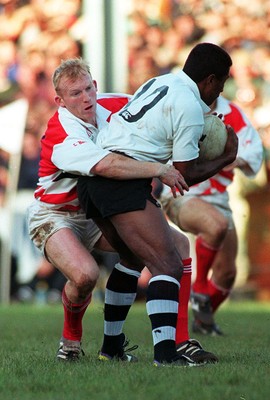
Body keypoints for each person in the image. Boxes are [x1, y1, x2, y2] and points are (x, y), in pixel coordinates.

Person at [27, 57, 216, 365]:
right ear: (60, 101)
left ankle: (178, 342)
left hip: (94, 211)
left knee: (177, 245)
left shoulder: (113, 103)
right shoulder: (60, 131)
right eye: (75, 93)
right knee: (86, 275)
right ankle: (71, 339)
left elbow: (160, 108)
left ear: (95, 85)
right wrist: (160, 169)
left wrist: (202, 118)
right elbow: (106, 165)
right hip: (54, 214)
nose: (86, 97)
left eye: (89, 88)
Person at [77, 42, 239, 366]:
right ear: (209, 80)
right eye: (221, 83)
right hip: (120, 179)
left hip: (94, 177)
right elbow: (180, 179)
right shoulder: (190, 107)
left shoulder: (160, 81)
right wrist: (226, 157)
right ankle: (166, 356)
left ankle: (111, 350)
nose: (221, 90)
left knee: (132, 259)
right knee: (169, 264)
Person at [160, 94, 263, 335]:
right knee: (215, 225)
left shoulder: (233, 114)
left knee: (228, 274)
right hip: (182, 192)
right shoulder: (181, 107)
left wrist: (234, 159)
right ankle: (200, 287)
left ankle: (202, 320)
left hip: (219, 198)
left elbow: (254, 150)